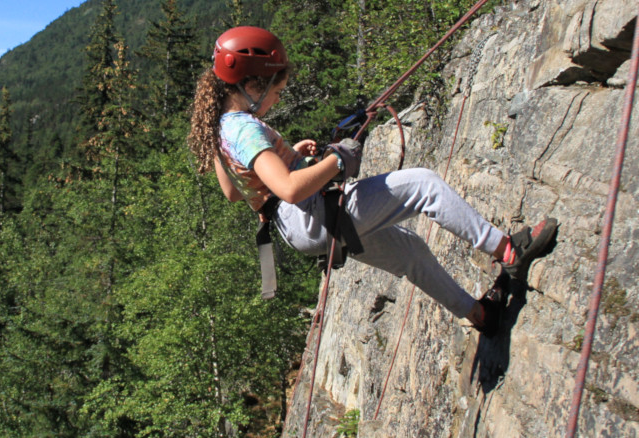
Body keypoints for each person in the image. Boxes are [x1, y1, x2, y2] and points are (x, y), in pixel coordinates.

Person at [188, 25, 557, 335]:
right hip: (311, 213)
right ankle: (509, 251)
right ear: (254, 85)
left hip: (299, 229)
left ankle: (481, 316)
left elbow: (235, 192)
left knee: (410, 251)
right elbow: (288, 187)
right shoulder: (245, 128)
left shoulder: (221, 127)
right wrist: (337, 160)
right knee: (423, 184)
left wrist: (288, 155)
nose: (277, 100)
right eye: (277, 92)